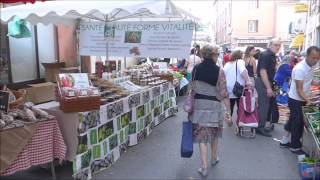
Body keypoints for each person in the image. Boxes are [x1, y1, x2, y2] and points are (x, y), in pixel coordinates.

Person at [189, 45, 232, 177]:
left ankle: (204, 166)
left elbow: (192, 87)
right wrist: (228, 112)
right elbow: (224, 93)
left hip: (199, 106)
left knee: (202, 136)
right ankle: (214, 158)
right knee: (214, 133)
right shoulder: (219, 71)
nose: (217, 56)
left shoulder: (196, 69)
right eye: (216, 54)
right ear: (212, 55)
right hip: (214, 107)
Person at [279, 46, 320, 155]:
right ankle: (295, 147)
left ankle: (284, 141)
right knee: (298, 123)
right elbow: (299, 90)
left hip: (301, 97)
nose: (315, 60)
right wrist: (308, 100)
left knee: (293, 119)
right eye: (313, 58)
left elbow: (309, 81)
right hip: (296, 99)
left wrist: (317, 83)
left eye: (317, 58)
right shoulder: (300, 69)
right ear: (307, 56)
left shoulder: (311, 67)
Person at [255, 39, 281, 137]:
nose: (277, 47)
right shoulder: (266, 55)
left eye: (279, 45)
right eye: (275, 45)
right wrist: (268, 87)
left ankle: (261, 125)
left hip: (266, 82)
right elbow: (262, 71)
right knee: (264, 106)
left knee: (266, 105)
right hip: (263, 82)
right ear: (270, 45)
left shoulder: (271, 55)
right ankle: (260, 127)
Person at [223, 50, 252, 118]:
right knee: (240, 106)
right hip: (237, 88)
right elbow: (243, 71)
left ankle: (229, 119)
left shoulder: (227, 64)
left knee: (229, 107)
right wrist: (248, 81)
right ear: (240, 56)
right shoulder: (240, 61)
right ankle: (239, 122)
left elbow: (223, 75)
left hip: (228, 88)